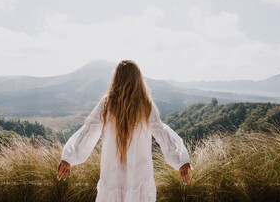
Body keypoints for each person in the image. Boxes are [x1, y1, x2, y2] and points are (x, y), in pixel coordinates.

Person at [57, 60, 193, 202]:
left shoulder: (107, 103)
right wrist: (180, 159)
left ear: (116, 78)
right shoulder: (145, 105)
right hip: (139, 175)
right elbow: (162, 132)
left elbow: (89, 131)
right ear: (138, 78)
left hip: (113, 176)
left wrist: (69, 157)